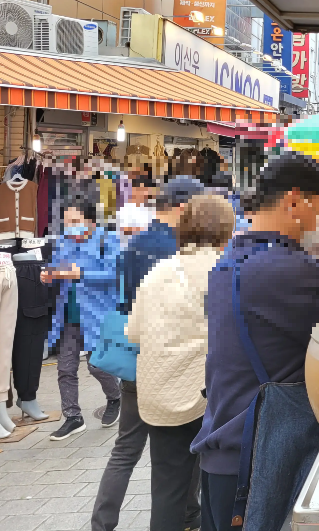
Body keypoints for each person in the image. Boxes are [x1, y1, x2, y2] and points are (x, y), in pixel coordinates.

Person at [192, 153, 319, 531]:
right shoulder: (288, 269)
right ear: (295, 202)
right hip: (259, 466)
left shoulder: (231, 260)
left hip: (221, 457)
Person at [92, 176, 205, 531]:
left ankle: (102, 522)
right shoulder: (183, 251)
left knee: (125, 450)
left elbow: (125, 300)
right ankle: (189, 516)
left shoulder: (134, 245)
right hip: (172, 363)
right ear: (184, 207)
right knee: (183, 447)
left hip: (134, 358)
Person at [127, 194, 235, 531]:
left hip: (159, 396)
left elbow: (133, 331)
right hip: (207, 396)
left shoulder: (159, 271)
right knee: (215, 481)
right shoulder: (224, 270)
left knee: (167, 488)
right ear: (225, 231)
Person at [43, 197, 123, 441]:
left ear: (89, 220)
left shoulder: (107, 240)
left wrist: (82, 273)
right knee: (65, 367)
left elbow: (115, 274)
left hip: (98, 314)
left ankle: (115, 397)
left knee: (96, 364)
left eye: (75, 221)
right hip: (69, 314)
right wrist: (49, 274)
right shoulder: (63, 243)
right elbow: (55, 267)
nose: (70, 227)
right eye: (67, 222)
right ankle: (73, 417)